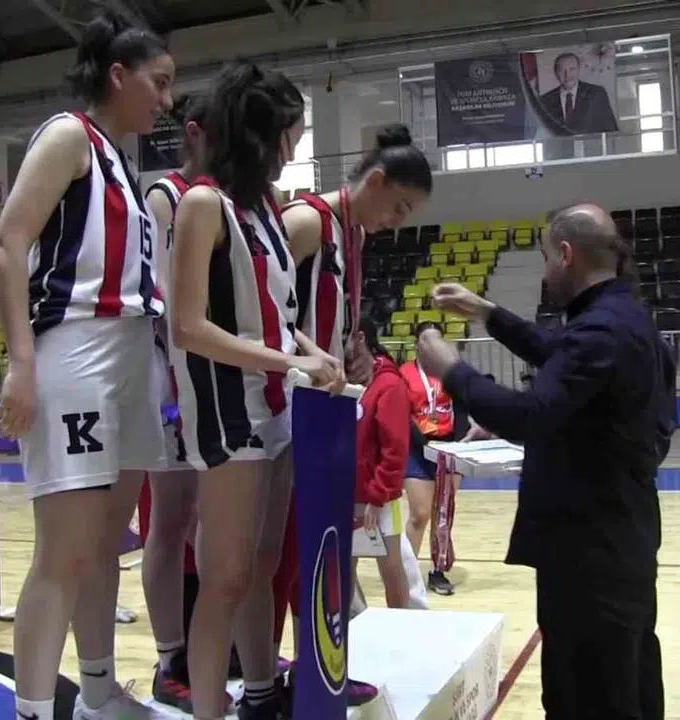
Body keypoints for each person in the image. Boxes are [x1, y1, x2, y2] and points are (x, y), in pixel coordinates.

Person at [0, 11, 174, 720]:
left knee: (102, 549)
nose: (166, 100)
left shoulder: (121, 165)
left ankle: (97, 695)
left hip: (131, 355)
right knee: (63, 555)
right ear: (118, 76)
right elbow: (8, 244)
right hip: (77, 352)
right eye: (159, 83)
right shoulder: (69, 136)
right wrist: (21, 364)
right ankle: (33, 712)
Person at [416, 203, 673, 720]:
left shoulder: (600, 331)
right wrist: (487, 312)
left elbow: (529, 415)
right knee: (629, 681)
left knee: (587, 695)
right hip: (621, 534)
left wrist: (453, 371)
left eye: (546, 257)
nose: (546, 270)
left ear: (566, 254)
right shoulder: (625, 317)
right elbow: (560, 353)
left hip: (588, 547)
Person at [167, 61, 341, 720]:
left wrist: (314, 354)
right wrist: (286, 359)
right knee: (225, 581)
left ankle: (261, 696)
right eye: (288, 136)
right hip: (227, 415)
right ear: (257, 134)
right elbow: (187, 325)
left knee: (263, 566)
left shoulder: (267, 208)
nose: (293, 151)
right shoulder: (201, 204)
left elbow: (280, 314)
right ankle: (209, 708)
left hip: (274, 407)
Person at [276, 122, 434, 706]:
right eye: (400, 206)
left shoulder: (353, 235)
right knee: (285, 557)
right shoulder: (307, 220)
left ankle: (320, 669)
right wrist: (310, 353)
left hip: (326, 408)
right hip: (284, 406)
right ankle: (271, 677)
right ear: (376, 180)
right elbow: (253, 304)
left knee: (323, 552)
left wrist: (349, 354)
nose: (399, 221)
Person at [134, 93, 237, 715]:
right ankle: (169, 659)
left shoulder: (222, 201)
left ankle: (213, 647)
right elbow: (159, 303)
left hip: (214, 382)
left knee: (210, 522)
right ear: (195, 135)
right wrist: (174, 389)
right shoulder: (165, 197)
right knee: (170, 523)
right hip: (171, 380)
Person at [349, 316, 430, 611]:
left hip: (379, 500)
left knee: (392, 569)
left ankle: (402, 625)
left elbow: (395, 449)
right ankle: (355, 627)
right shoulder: (347, 380)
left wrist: (377, 496)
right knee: (343, 573)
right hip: (346, 496)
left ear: (360, 339)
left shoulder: (389, 384)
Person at [399, 322, 465, 596]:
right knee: (420, 514)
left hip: (449, 449)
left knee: (442, 514)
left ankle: (437, 572)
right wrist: (424, 444)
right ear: (417, 344)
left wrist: (459, 444)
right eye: (426, 340)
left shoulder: (452, 371)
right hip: (418, 449)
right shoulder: (404, 373)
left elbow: (462, 407)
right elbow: (403, 413)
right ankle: (406, 574)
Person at [531, 51, 618, 136]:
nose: (567, 75)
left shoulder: (597, 94)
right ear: (556, 73)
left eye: (572, 69)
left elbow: (611, 131)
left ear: (578, 69)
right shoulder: (544, 101)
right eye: (562, 70)